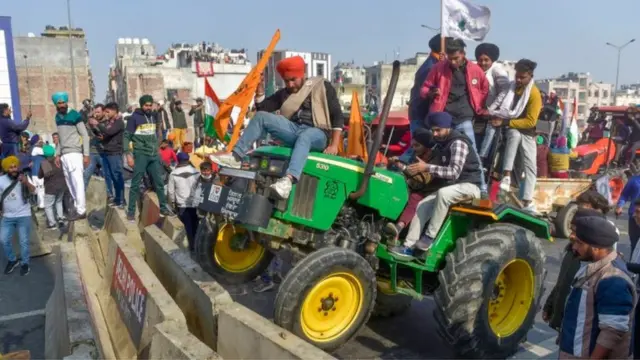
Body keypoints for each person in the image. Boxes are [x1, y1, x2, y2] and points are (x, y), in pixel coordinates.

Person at [210, 56, 344, 199]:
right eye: (287, 81)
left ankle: (288, 180)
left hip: (318, 133)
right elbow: (263, 108)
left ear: (302, 74)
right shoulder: (285, 94)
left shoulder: (321, 86)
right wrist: (260, 88)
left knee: (305, 137)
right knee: (261, 116)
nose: (290, 84)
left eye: (293, 79)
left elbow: (337, 115)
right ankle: (236, 156)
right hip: (294, 129)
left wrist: (334, 145)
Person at [390, 112, 482, 256]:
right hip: (455, 187)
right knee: (422, 205)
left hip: (470, 185)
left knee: (443, 194)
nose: (435, 134)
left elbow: (454, 173)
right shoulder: (443, 144)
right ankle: (408, 246)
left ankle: (428, 238)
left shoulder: (458, 143)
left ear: (447, 127)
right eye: (433, 130)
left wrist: (427, 167)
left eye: (438, 130)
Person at [419, 38, 489, 197]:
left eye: (456, 58)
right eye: (450, 58)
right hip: (444, 117)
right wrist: (430, 93)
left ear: (463, 55)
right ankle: (427, 185)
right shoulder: (438, 68)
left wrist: (478, 104)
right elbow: (423, 89)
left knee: (472, 152)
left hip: (464, 116)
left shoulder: (475, 70)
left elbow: (485, 88)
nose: (453, 61)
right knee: (437, 151)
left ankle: (482, 188)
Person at [559, 216, 635, 359]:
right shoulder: (592, 267)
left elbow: (612, 331)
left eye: (579, 243)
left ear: (596, 247)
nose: (574, 247)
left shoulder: (612, 279)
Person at [542, 192, 612, 333]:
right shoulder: (574, 249)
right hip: (565, 317)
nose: (572, 236)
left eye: (584, 208)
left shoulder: (601, 245)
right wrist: (551, 304)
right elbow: (563, 279)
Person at [489, 59, 542, 211]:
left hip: (526, 132)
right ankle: (506, 175)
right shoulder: (512, 89)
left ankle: (527, 201)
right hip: (512, 131)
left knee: (530, 167)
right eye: (517, 76)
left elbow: (530, 122)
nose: (518, 80)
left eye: (522, 77)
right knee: (513, 135)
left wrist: (505, 123)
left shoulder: (534, 94)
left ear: (530, 76)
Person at [400, 34, 450, 163]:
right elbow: (426, 93)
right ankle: (399, 166)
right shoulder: (431, 67)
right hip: (421, 114)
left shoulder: (434, 64)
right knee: (418, 146)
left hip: (422, 113)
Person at [123, 94, 174, 222]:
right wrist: (129, 155)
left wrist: (157, 148)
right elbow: (126, 137)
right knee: (135, 184)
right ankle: (131, 212)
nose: (149, 107)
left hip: (153, 155)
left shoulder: (153, 116)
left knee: (159, 183)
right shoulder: (134, 118)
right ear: (142, 105)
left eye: (150, 105)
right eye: (146, 105)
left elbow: (156, 133)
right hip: (141, 155)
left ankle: (163, 208)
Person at [385, 128, 437, 238]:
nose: (413, 148)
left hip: (427, 189)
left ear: (426, 146)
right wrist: (395, 162)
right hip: (413, 185)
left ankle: (398, 227)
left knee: (415, 197)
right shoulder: (415, 154)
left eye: (417, 145)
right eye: (412, 146)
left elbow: (425, 179)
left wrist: (402, 167)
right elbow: (407, 167)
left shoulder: (433, 158)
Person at [52, 91, 91, 220]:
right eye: (59, 103)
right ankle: (76, 207)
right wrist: (57, 154)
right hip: (64, 155)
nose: (62, 105)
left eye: (63, 102)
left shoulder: (75, 115)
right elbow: (60, 138)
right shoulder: (57, 117)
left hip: (75, 153)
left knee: (77, 181)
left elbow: (85, 135)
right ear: (56, 104)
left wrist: (86, 154)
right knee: (70, 183)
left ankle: (81, 209)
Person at [0, 156, 36, 276]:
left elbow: (34, 190)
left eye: (15, 166)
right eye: (10, 167)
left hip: (23, 215)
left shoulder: (24, 177)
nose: (13, 169)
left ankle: (25, 263)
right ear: (6, 169)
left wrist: (26, 182)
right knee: (4, 240)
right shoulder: (1, 180)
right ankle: (12, 260)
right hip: (7, 217)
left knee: (24, 241)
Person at [475, 43, 511, 160]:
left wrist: (491, 110)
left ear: (493, 59)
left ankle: (483, 161)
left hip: (493, 115)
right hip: (480, 114)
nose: (483, 63)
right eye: (480, 60)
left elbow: (505, 91)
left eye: (486, 60)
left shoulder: (497, 70)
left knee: (487, 148)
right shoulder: (478, 70)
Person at [167, 152, 199, 252]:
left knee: (187, 227)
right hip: (195, 204)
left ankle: (191, 247)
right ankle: (197, 246)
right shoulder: (196, 172)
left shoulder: (174, 173)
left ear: (178, 160)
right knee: (196, 225)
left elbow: (170, 191)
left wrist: (172, 203)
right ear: (188, 160)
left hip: (182, 205)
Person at [96, 102, 125, 208]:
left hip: (115, 153)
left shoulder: (119, 122)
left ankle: (121, 200)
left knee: (117, 176)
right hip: (107, 152)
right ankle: (117, 200)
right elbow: (107, 135)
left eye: (108, 112)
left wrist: (97, 123)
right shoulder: (110, 122)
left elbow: (109, 132)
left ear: (114, 111)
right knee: (112, 177)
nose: (106, 114)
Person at [38, 145, 67, 229]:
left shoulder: (44, 162)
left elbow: (40, 176)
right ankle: (60, 218)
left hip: (51, 187)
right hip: (62, 185)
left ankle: (52, 223)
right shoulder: (59, 160)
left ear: (44, 154)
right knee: (59, 201)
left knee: (48, 205)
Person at [616, 164, 640, 252]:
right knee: (634, 244)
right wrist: (620, 206)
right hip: (635, 217)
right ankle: (633, 263)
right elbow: (625, 195)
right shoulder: (634, 180)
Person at [84, 104, 107, 191]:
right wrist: (89, 120)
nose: (96, 114)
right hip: (92, 152)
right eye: (95, 112)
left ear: (103, 112)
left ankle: (111, 197)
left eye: (98, 112)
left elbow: (106, 133)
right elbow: (85, 130)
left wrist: (97, 125)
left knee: (107, 175)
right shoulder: (90, 122)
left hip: (103, 152)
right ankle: (83, 198)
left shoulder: (107, 122)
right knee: (86, 175)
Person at [29, 135, 45, 209]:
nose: (42, 141)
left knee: (39, 190)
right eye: (40, 140)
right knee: (40, 189)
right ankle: (41, 205)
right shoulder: (36, 148)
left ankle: (40, 205)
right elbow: (47, 151)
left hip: (36, 172)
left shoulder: (34, 148)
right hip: (38, 173)